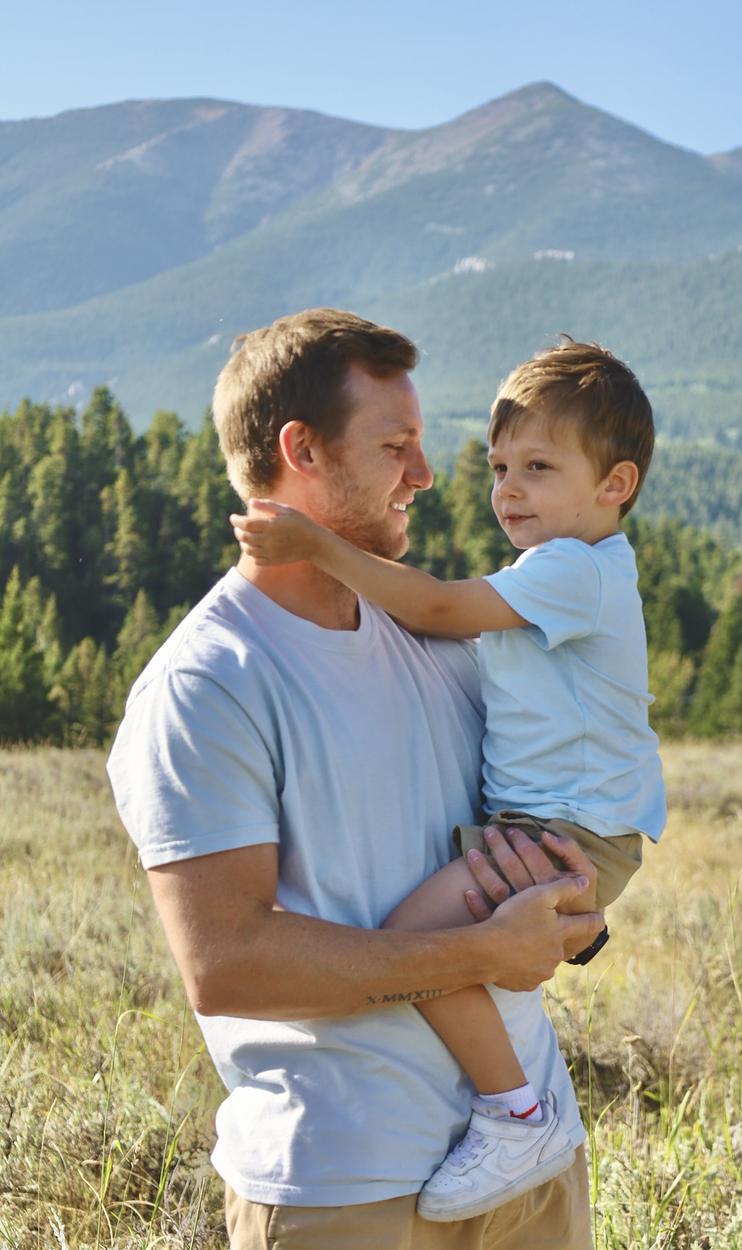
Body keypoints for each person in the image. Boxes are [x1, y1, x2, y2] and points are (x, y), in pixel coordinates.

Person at [106, 308, 605, 1250]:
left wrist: (570, 907)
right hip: (344, 1191)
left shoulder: (440, 642)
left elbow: (512, 839)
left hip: (534, 1172)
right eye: (394, 447)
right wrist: (482, 954)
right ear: (302, 450)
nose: (424, 474)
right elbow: (225, 962)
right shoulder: (208, 684)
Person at [230, 337, 668, 1221]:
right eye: (501, 467)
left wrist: (315, 544)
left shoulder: (572, 572)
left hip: (564, 832)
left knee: (412, 938)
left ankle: (516, 1115)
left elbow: (434, 606)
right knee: (442, 940)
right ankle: (513, 1107)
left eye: (538, 467)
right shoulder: (559, 573)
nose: (508, 490)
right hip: (561, 827)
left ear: (615, 484)